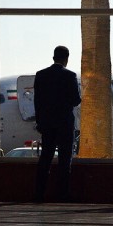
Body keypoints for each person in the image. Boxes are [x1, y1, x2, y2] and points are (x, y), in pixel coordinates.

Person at [33, 45, 81, 203]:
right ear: (66, 58)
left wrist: (40, 122)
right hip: (64, 124)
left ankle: (38, 194)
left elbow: (37, 102)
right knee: (65, 160)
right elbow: (75, 100)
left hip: (47, 124)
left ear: (53, 57)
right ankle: (63, 195)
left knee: (45, 159)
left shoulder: (41, 75)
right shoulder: (70, 76)